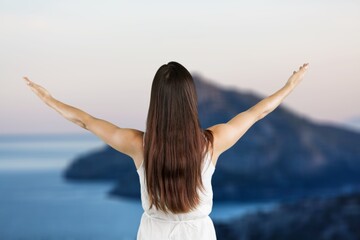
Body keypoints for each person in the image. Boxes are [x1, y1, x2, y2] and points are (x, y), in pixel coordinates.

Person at [23, 61, 309, 239]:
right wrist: (288, 87)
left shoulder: (139, 145)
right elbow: (257, 113)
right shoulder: (212, 142)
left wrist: (50, 99)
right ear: (190, 101)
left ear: (156, 103)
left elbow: (86, 121)